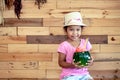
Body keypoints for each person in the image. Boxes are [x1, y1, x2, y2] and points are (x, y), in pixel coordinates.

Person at [57, 12, 94, 80]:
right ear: (66, 30)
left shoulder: (86, 43)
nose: (75, 33)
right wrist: (72, 65)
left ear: (81, 30)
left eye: (78, 29)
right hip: (69, 75)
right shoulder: (63, 45)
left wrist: (91, 62)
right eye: (71, 29)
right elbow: (61, 63)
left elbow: (90, 60)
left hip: (84, 75)